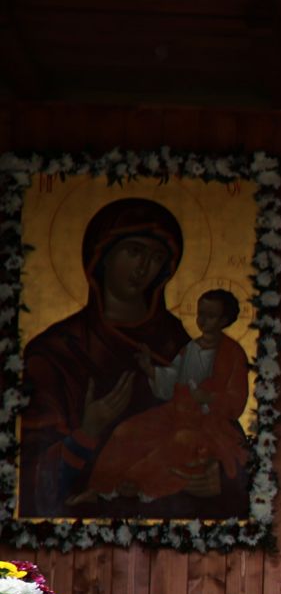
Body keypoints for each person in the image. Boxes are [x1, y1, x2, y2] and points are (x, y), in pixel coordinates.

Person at [19, 197, 245, 518]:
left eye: (155, 258)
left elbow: (227, 426)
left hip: (175, 516)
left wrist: (218, 474)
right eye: (134, 251)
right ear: (102, 256)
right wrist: (87, 431)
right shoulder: (56, 351)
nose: (143, 268)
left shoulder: (178, 341)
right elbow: (27, 477)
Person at [74, 288, 251, 507]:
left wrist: (207, 397)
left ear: (224, 320)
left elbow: (236, 401)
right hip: (173, 413)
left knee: (179, 442)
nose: (203, 320)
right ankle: (100, 489)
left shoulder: (233, 354)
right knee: (124, 431)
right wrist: (149, 369)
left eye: (211, 316)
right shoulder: (191, 348)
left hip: (207, 423)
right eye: (200, 313)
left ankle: (136, 485)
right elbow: (171, 380)